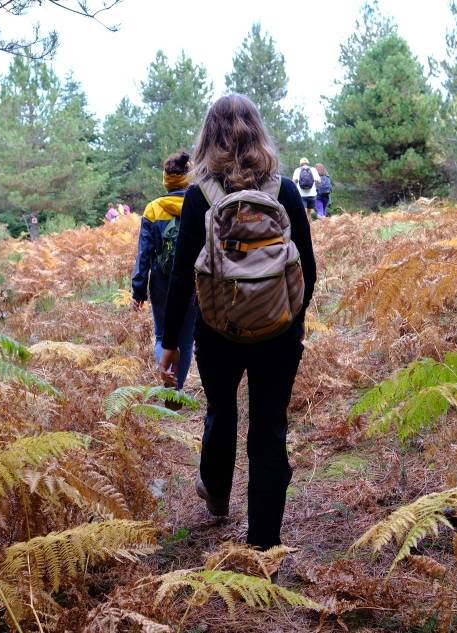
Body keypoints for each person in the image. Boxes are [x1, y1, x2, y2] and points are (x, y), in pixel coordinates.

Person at [160, 94, 317, 550]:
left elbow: (182, 277)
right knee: (269, 427)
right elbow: (306, 268)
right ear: (258, 132)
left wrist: (171, 341)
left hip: (218, 331)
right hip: (277, 332)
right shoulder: (284, 191)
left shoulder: (197, 196)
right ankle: (264, 544)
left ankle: (217, 494)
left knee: (221, 409)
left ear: (207, 137)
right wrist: (292, 321)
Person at [131, 151, 196, 392]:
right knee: (186, 341)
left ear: (166, 180)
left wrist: (138, 291)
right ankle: (177, 392)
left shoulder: (153, 209)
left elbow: (143, 255)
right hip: (193, 280)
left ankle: (167, 385)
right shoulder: (197, 205)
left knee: (161, 336)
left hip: (161, 281)